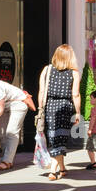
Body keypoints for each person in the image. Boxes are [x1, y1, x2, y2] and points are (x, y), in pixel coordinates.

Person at [36, 44, 82, 181]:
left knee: (55, 138)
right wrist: (78, 112)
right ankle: (52, 171)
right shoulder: (74, 73)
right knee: (60, 139)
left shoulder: (47, 69)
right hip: (65, 107)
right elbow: (75, 95)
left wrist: (40, 108)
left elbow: (42, 91)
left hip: (50, 107)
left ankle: (62, 168)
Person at [0, 75, 35, 170]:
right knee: (1, 132)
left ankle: (7, 161)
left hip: (18, 102)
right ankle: (7, 157)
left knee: (11, 132)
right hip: (5, 104)